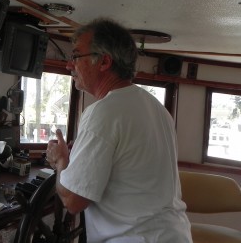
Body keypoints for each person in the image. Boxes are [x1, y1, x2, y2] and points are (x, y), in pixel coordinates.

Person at [45, 18, 192, 242]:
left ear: (103, 62)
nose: (68, 65)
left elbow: (73, 201)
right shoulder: (157, 109)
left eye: (75, 56)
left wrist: (61, 161)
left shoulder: (103, 112)